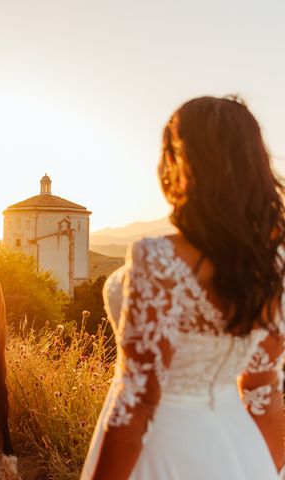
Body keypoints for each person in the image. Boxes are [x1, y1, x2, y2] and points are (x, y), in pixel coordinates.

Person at [81, 96, 285, 479]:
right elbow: (262, 390)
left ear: (178, 161)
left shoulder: (157, 257)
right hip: (242, 450)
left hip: (165, 449)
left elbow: (139, 401)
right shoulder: (271, 264)